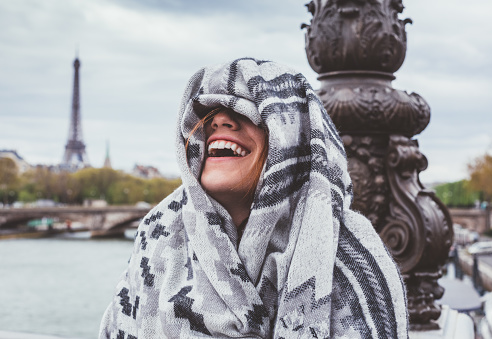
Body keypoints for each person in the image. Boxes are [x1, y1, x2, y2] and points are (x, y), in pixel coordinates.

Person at [99, 58, 408, 338]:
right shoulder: (155, 234)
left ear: (293, 141)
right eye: (208, 114)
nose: (220, 122)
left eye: (245, 111)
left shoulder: (351, 256)